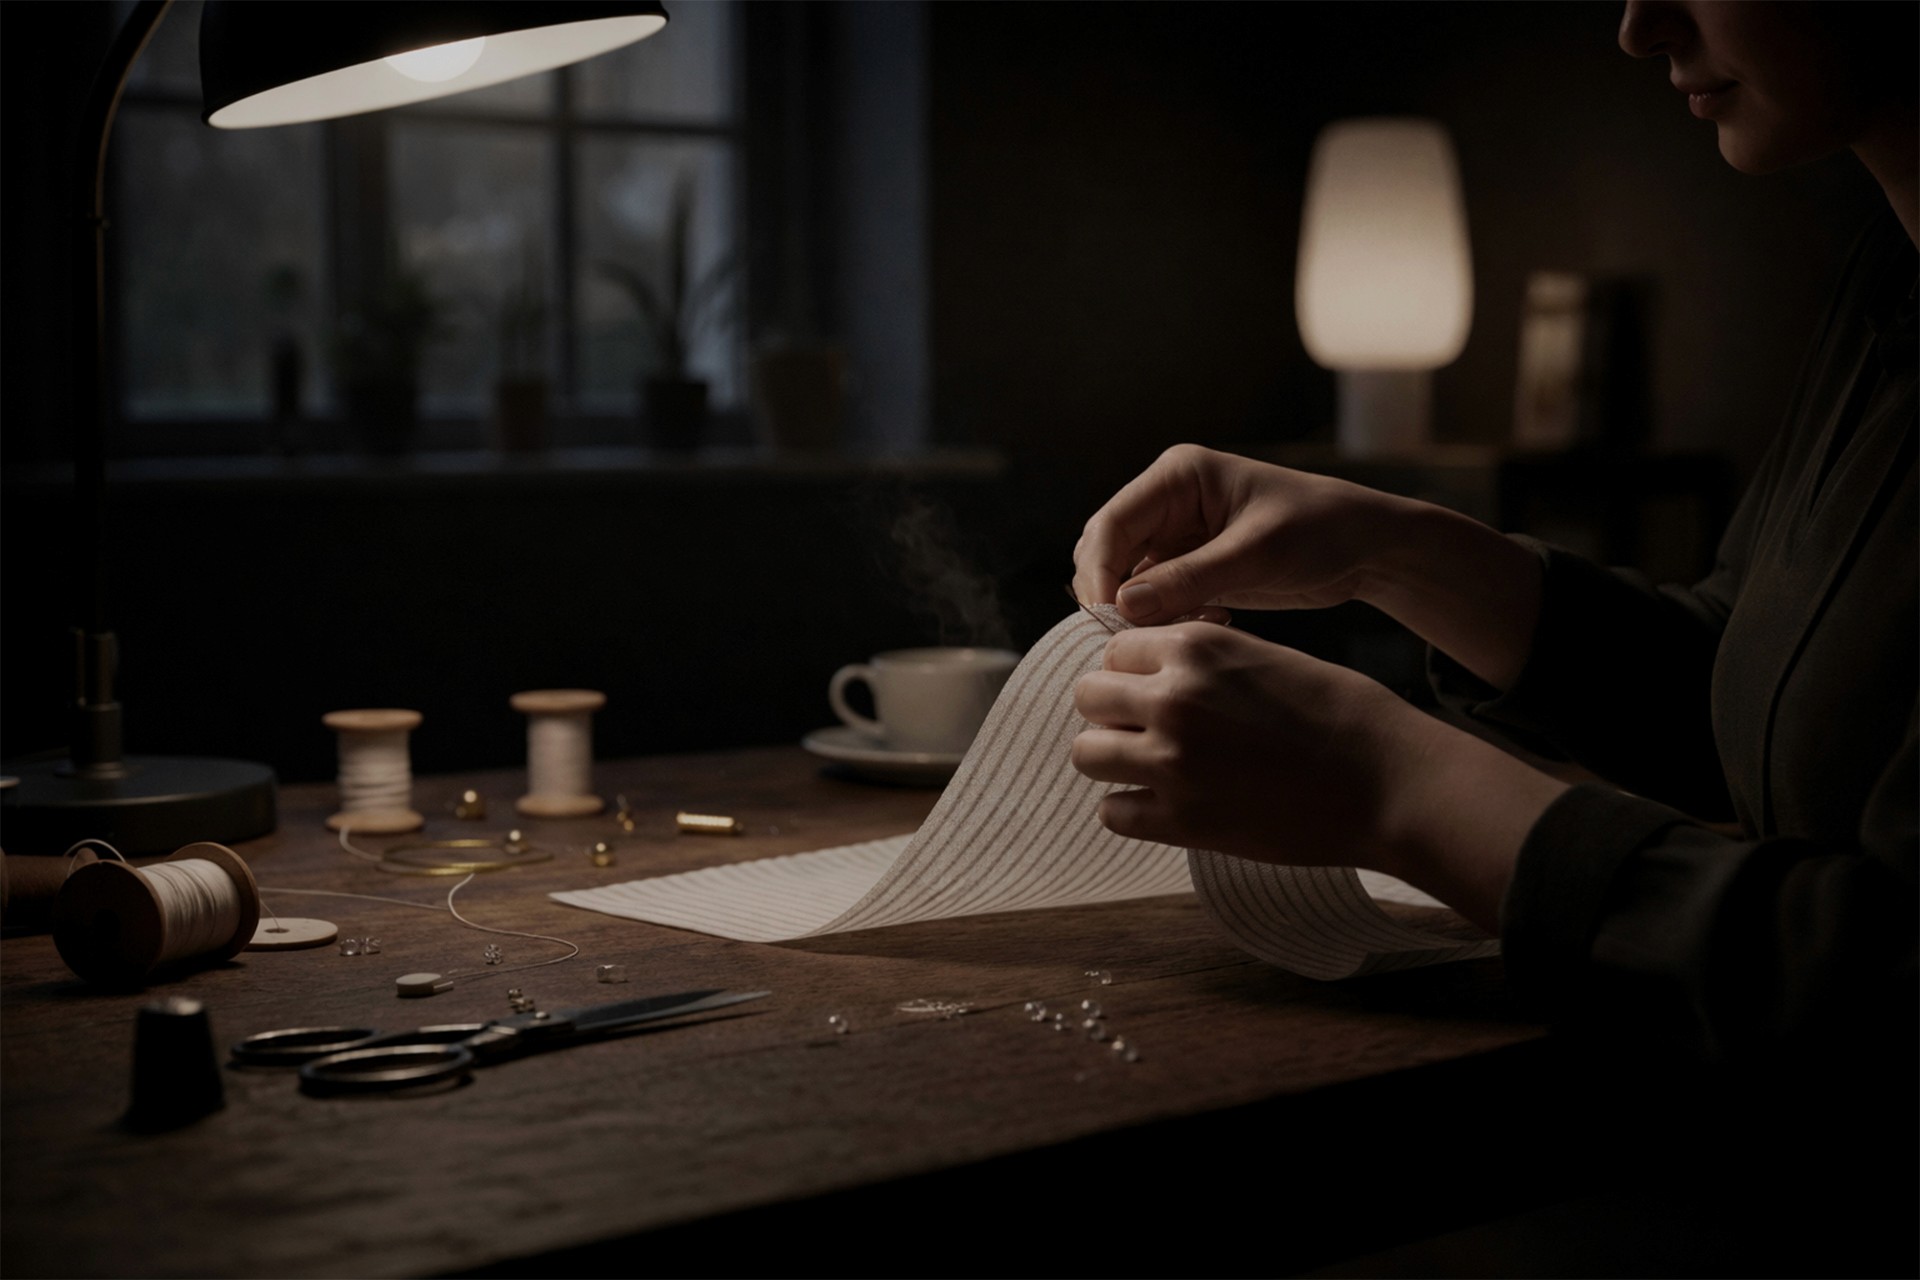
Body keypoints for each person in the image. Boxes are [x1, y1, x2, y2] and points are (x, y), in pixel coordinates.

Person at [1069, 0, 1916, 1068]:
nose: (1639, 26)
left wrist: (1394, 784)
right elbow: (1760, 703)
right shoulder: (1890, 276)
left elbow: (1886, 977)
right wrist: (1395, 549)